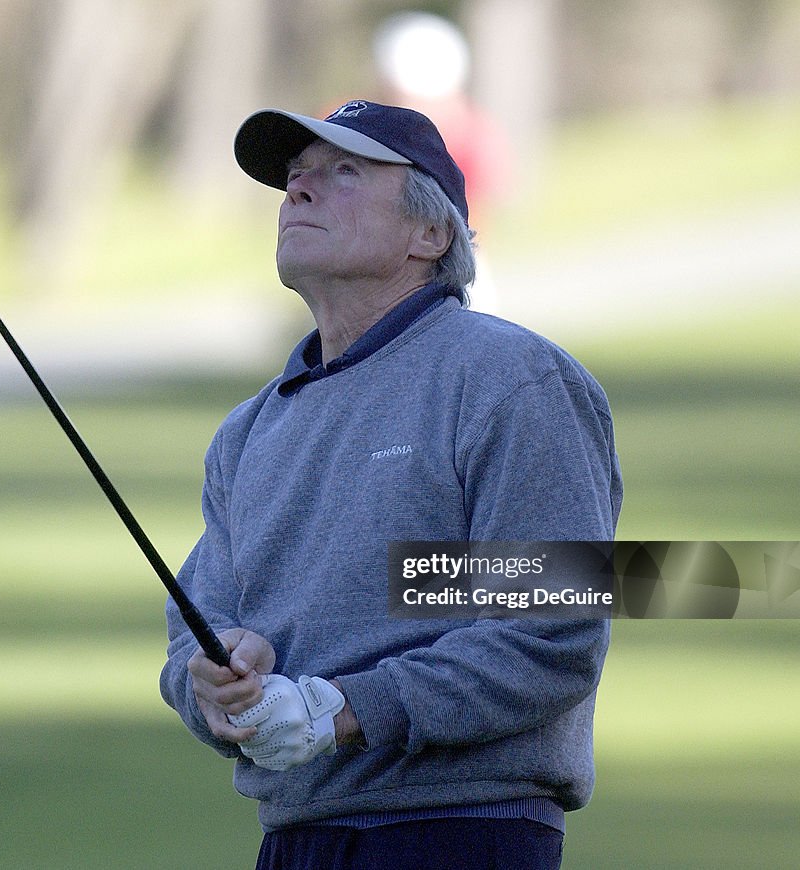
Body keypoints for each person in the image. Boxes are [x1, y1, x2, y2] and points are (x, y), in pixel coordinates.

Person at [159, 100, 622, 870]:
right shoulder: (248, 432)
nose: (300, 191)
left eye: (344, 173)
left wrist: (340, 710)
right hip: (296, 838)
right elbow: (194, 632)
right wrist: (214, 680)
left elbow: (550, 635)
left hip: (462, 831)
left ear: (430, 233)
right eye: (296, 178)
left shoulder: (508, 380)